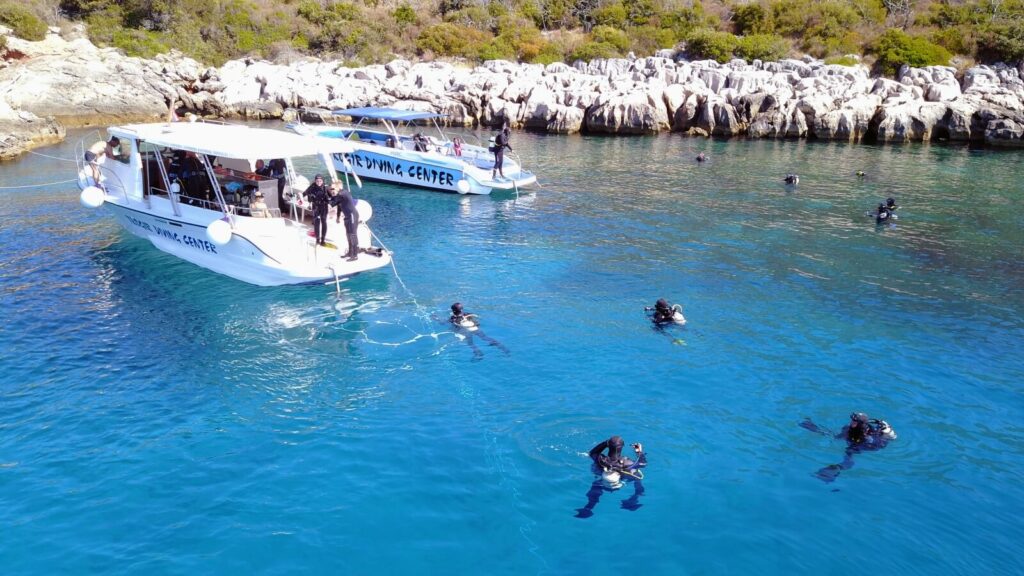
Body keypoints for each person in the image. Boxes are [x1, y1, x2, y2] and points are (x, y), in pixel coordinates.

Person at [800, 412, 896, 483]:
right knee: (833, 436)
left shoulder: (868, 438)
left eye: (854, 421)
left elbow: (875, 444)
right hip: (853, 437)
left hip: (861, 444)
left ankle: (835, 469)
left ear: (861, 424)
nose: (851, 423)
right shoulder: (849, 428)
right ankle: (811, 426)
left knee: (849, 454)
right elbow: (839, 435)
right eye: (852, 420)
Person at [575, 436, 647, 518]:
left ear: (608, 446)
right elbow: (642, 464)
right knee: (637, 476)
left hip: (603, 480)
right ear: (622, 447)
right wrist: (639, 452)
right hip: (621, 479)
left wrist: (606, 443)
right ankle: (635, 498)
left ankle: (589, 507)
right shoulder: (628, 462)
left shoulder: (601, 459)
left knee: (596, 483)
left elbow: (592, 453)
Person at [443, 303, 508, 359]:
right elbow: (476, 322)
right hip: (475, 328)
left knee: (471, 344)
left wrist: (436, 318)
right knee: (485, 338)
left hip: (466, 331)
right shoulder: (467, 314)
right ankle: (502, 347)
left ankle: (478, 354)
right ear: (462, 309)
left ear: (453, 310)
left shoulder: (453, 318)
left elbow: (445, 323)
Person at [330, 182, 359, 260]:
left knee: (353, 235)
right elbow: (339, 207)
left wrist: (327, 198)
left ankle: (355, 255)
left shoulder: (342, 193)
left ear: (337, 187)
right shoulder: (340, 195)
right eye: (331, 189)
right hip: (347, 217)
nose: (332, 190)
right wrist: (338, 217)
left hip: (352, 215)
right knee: (348, 234)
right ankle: (350, 252)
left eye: (333, 188)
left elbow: (332, 203)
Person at [303, 174, 331, 246]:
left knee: (324, 222)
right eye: (317, 181)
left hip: (324, 207)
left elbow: (334, 196)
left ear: (322, 181)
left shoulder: (326, 188)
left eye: (320, 181)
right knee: (316, 223)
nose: (318, 182)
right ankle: (317, 239)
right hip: (315, 207)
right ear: (315, 181)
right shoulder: (312, 187)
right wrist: (299, 196)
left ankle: (323, 240)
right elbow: (304, 193)